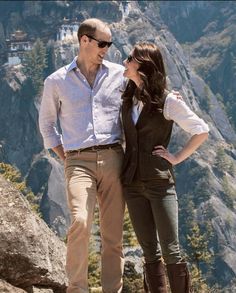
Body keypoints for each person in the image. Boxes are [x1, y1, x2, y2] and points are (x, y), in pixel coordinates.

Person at [39, 18, 126, 293]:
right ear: (84, 40)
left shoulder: (119, 74)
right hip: (77, 160)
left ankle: (114, 290)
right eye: (102, 43)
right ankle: (77, 289)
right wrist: (67, 156)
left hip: (114, 157)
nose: (106, 49)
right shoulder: (56, 81)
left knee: (113, 233)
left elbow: (141, 102)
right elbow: (47, 125)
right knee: (79, 221)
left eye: (109, 44)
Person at [121, 42, 209, 293]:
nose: (125, 63)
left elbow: (201, 130)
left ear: (144, 66)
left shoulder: (168, 101)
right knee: (149, 252)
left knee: (171, 250)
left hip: (160, 183)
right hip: (132, 184)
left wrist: (177, 157)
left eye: (130, 59)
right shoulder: (127, 97)